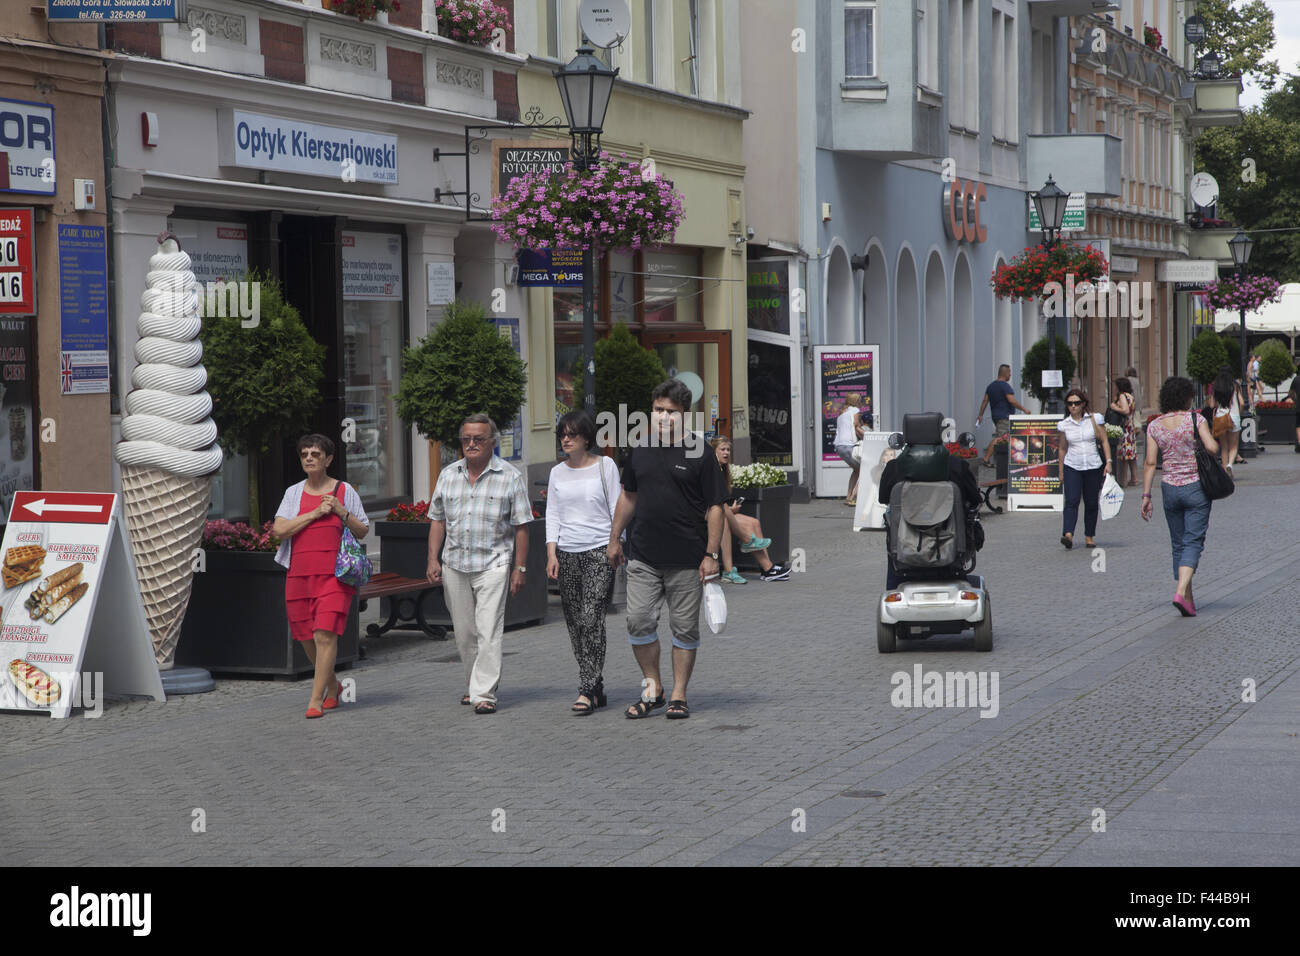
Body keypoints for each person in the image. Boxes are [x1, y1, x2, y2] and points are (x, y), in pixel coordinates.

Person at [608, 380, 728, 720]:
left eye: (671, 412)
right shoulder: (639, 449)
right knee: (638, 620)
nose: (663, 416)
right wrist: (614, 537)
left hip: (688, 559)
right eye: (658, 410)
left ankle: (678, 694)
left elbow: (716, 507)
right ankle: (653, 688)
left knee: (684, 628)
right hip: (643, 555)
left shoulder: (700, 453)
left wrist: (711, 554)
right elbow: (628, 496)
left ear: (684, 415)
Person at [426, 414, 532, 715]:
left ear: (492, 442)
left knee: (488, 630)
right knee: (465, 633)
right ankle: (475, 683)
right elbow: (437, 519)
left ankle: (484, 693)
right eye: (466, 439)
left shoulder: (509, 477)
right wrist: (432, 558)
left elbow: (522, 526)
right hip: (455, 564)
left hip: (493, 564)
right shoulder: (448, 474)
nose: (471, 444)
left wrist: (519, 568)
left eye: (479, 439)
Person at [273, 434, 370, 719]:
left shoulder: (344, 490)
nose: (309, 458)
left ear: (328, 459)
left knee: (324, 635)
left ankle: (316, 700)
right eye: (304, 454)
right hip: (299, 575)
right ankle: (332, 685)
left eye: (315, 454)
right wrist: (316, 513)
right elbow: (279, 530)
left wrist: (341, 511)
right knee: (305, 637)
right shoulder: (293, 493)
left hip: (335, 576)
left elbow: (363, 530)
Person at [545, 410, 621, 715]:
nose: (566, 439)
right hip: (567, 552)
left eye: (572, 434)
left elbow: (618, 507)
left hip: (599, 550)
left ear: (586, 438)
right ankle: (596, 684)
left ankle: (587, 687)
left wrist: (616, 542)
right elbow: (553, 513)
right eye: (562, 434)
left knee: (591, 617)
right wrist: (551, 552)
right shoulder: (556, 473)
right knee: (575, 623)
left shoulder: (605, 466)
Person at [1141, 376, 1219, 617]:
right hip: (1195, 487)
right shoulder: (1195, 419)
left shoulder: (1154, 426)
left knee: (1178, 544)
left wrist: (1145, 495)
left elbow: (1151, 462)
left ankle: (1188, 599)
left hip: (1169, 489)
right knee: (1193, 541)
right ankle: (1180, 591)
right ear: (1187, 397)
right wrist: (1212, 443)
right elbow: (1211, 447)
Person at [877, 443, 981, 591]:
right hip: (950, 551)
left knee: (894, 529)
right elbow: (975, 500)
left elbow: (883, 498)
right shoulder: (957, 465)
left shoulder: (894, 467)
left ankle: (893, 588)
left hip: (905, 551)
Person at [708, 436, 790, 583]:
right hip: (707, 513)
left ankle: (767, 569)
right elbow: (711, 501)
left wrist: (732, 509)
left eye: (728, 450)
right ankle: (729, 569)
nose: (726, 453)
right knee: (724, 519)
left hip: (722, 511)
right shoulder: (709, 469)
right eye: (722, 450)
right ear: (714, 451)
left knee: (753, 522)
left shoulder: (722, 470)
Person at [1057, 387, 1112, 550]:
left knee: (1091, 502)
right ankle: (1068, 534)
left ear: (1083, 404)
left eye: (1076, 403)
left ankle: (1089, 536)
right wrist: (1060, 470)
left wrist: (1108, 462)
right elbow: (1062, 448)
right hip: (1072, 465)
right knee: (1071, 500)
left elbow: (1104, 441)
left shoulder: (1095, 419)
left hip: (1093, 465)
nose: (1073, 406)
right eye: (1070, 403)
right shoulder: (1064, 425)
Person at [977, 364, 1031, 464]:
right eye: (1009, 373)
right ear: (1005, 373)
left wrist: (980, 415)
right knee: (1000, 438)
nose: (1010, 375)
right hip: (1004, 417)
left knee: (1004, 438)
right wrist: (1024, 409)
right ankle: (986, 459)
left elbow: (985, 401)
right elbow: (1012, 401)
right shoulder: (1005, 386)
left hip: (996, 417)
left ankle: (1004, 460)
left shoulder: (991, 386)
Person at [1210, 366, 1246, 475]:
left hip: (1221, 417)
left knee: (1224, 447)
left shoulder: (1216, 386)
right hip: (1233, 416)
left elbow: (1212, 405)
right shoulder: (1235, 385)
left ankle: (1225, 471)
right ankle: (1230, 464)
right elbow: (1242, 403)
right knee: (1234, 446)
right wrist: (1238, 413)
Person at [833, 393, 865, 506]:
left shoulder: (842, 413)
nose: (862, 403)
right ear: (856, 401)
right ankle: (853, 497)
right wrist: (868, 436)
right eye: (860, 400)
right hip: (848, 445)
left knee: (857, 469)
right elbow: (856, 427)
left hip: (839, 446)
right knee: (864, 469)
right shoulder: (855, 410)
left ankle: (848, 497)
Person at [1110, 377, 1138, 487]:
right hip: (1130, 427)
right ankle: (1134, 478)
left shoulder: (1122, 396)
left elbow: (1125, 410)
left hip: (1125, 428)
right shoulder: (1130, 396)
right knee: (1130, 455)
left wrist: (1114, 407)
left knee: (1124, 455)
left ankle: (1124, 480)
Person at [1289, 378, 1300, 452]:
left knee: (1298, 425)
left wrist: (1295, 400)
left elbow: (1291, 392)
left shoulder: (1296, 379)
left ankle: (1299, 443)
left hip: (1299, 406)